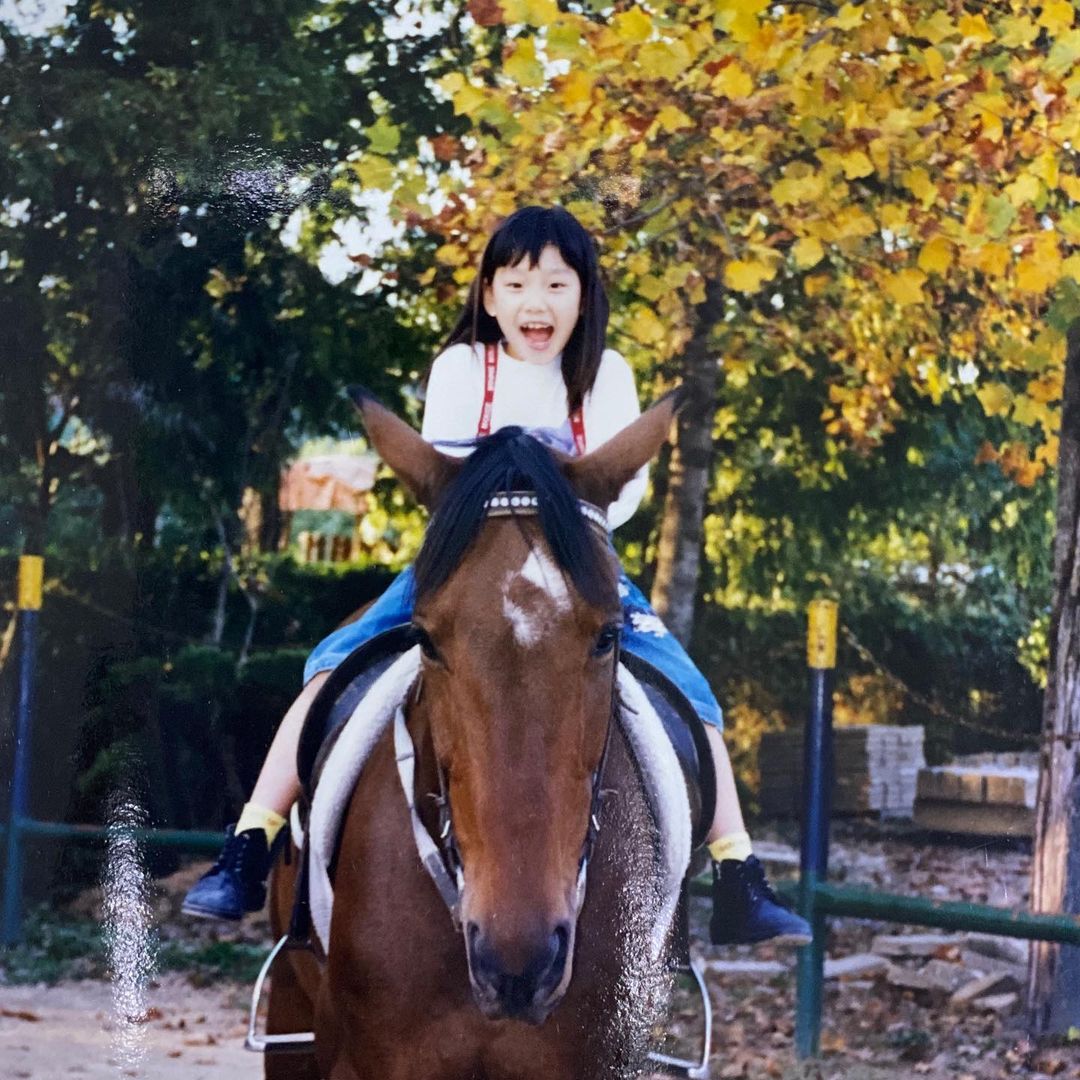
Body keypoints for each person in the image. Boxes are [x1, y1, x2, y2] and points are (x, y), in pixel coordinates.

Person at [183, 205, 810, 948]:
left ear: (585, 296)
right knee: (328, 669)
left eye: (555, 283)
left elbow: (627, 491)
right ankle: (250, 842)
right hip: (466, 559)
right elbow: (447, 480)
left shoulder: (607, 374)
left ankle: (738, 872)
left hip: (577, 558)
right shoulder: (461, 370)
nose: (534, 303)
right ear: (487, 297)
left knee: (693, 690)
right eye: (515, 284)